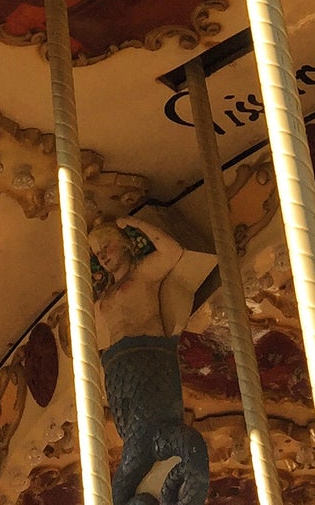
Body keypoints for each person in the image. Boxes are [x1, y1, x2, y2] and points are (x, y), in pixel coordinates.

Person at [88, 216, 209, 505]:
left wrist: (133, 222)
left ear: (125, 244)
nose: (102, 256)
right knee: (133, 437)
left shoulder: (142, 274)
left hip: (147, 362)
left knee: (138, 446)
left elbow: (172, 251)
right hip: (118, 371)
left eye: (106, 246)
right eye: (97, 253)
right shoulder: (106, 293)